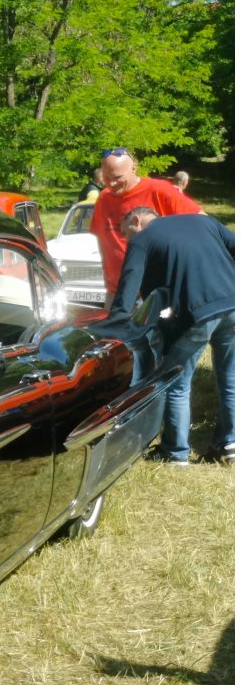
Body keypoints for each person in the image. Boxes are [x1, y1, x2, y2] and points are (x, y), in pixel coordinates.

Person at [112, 207, 235, 464]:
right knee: (230, 379)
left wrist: (116, 321)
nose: (125, 239)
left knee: (176, 382)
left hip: (197, 313)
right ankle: (229, 444)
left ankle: (175, 452)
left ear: (136, 220)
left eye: (124, 232)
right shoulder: (204, 222)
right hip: (233, 306)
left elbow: (128, 285)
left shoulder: (143, 238)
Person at [89, 148, 200, 299]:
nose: (111, 183)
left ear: (134, 168)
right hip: (118, 293)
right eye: (106, 177)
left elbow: (202, 223)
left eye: (117, 177)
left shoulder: (159, 190)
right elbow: (103, 242)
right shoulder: (104, 198)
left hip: (155, 293)